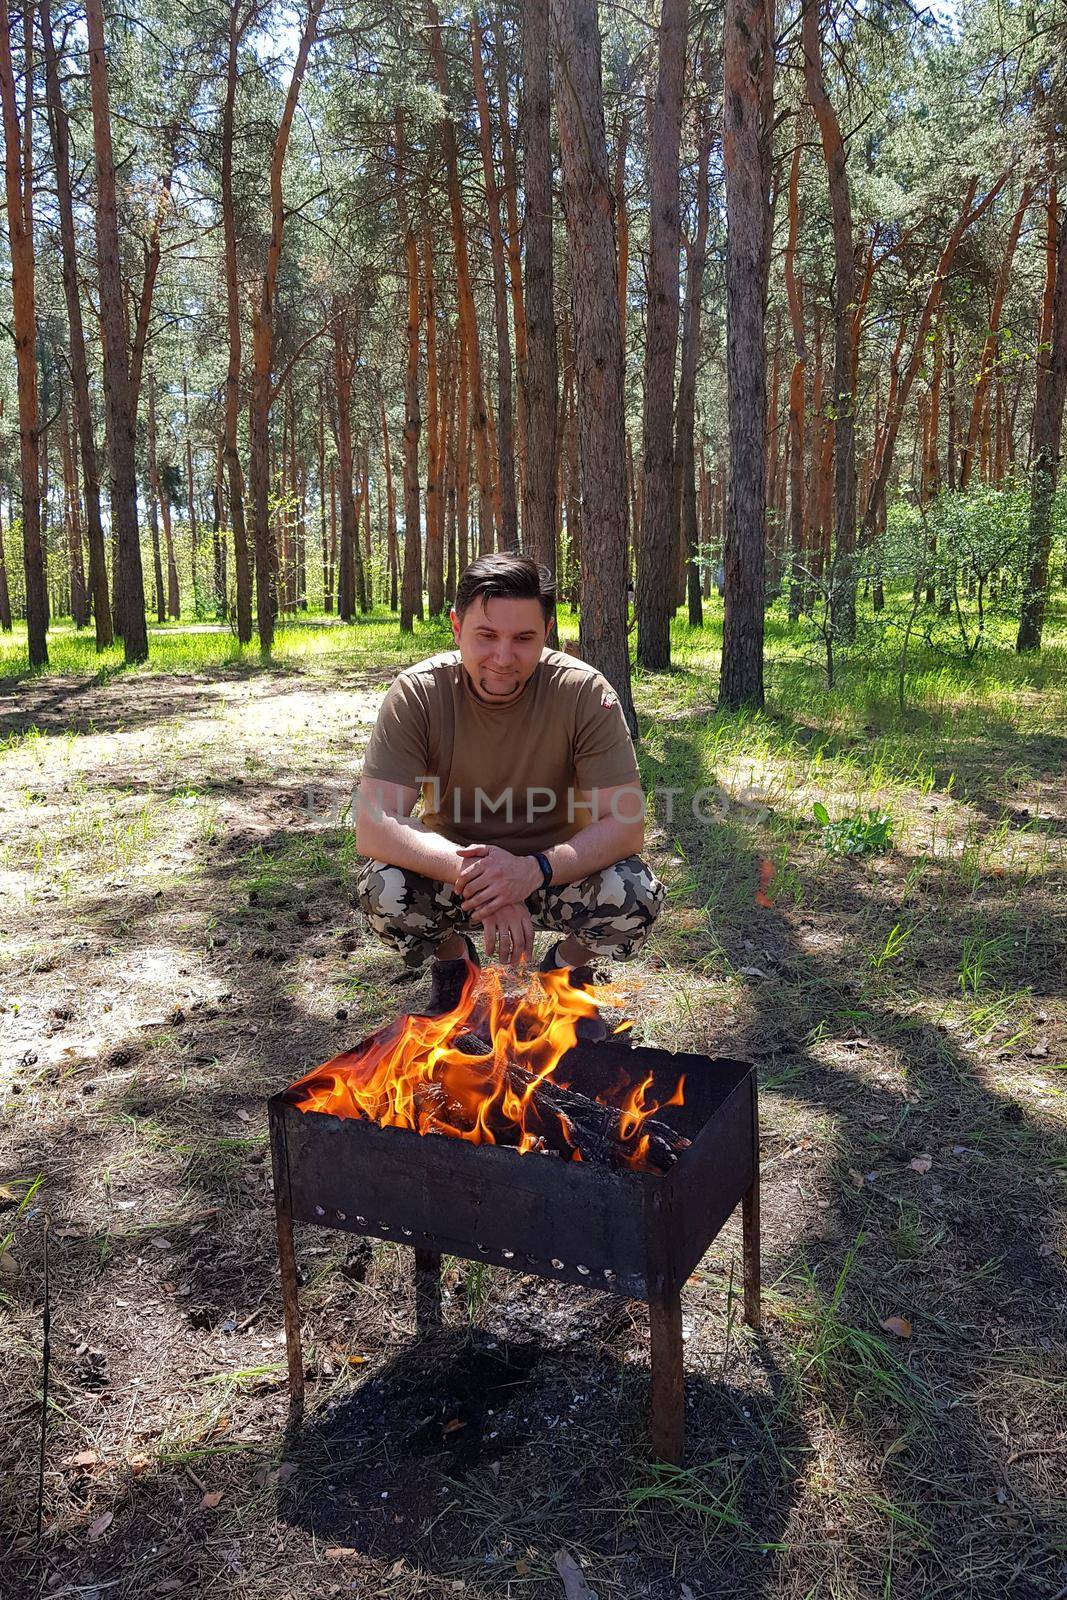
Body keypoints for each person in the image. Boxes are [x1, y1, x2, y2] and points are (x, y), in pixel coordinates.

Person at [354, 553, 664, 1011]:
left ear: (548, 632)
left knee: (636, 892)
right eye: (486, 636)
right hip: (452, 873)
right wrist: (484, 880)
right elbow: (375, 822)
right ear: (456, 627)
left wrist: (529, 871)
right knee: (382, 889)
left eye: (523, 638)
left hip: (556, 872)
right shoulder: (419, 693)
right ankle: (456, 968)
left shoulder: (583, 692)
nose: (503, 658)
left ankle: (562, 976)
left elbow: (625, 824)